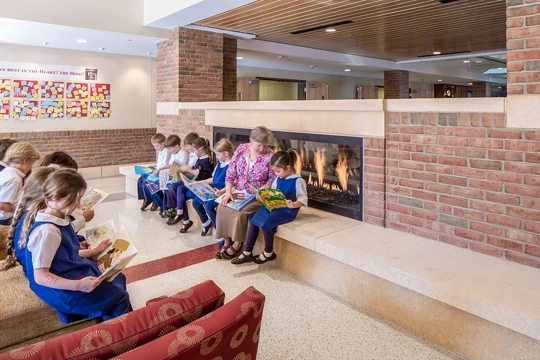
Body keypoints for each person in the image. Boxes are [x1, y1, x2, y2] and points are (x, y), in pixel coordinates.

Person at [14, 169, 132, 323]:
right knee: (119, 297)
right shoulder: (47, 231)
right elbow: (40, 276)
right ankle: (124, 335)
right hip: (62, 290)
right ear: (56, 198)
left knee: (117, 278)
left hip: (66, 273)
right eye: (76, 199)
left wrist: (94, 251)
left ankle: (107, 319)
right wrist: (78, 285)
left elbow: (63, 255)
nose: (79, 205)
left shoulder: (57, 217)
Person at [232, 149, 307, 265]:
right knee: (253, 218)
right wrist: (262, 196)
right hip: (274, 206)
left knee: (267, 222)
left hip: (287, 211)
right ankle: (247, 251)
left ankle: (268, 252)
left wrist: (293, 204)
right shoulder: (279, 178)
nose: (275, 174)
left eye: (277, 171)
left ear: (287, 168)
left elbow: (303, 200)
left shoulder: (298, 181)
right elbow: (273, 192)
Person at [214, 126, 275, 260]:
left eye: (265, 146)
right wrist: (228, 192)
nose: (262, 149)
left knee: (242, 213)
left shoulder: (270, 156)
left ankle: (237, 244)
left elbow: (272, 178)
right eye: (259, 145)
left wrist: (264, 187)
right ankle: (227, 241)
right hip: (239, 190)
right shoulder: (241, 149)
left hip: (256, 195)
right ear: (251, 141)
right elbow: (231, 172)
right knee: (222, 206)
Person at [191, 139, 233, 242]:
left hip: (222, 192)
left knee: (209, 207)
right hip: (212, 190)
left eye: (218, 154)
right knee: (196, 202)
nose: (216, 157)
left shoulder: (231, 165)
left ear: (226, 153)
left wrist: (222, 191)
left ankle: (219, 231)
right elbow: (213, 179)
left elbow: (232, 184)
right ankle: (206, 222)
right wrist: (201, 183)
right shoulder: (219, 163)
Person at [172, 137, 214, 232]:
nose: (193, 152)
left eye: (194, 149)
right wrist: (190, 172)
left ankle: (185, 219)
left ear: (200, 149)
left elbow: (209, 175)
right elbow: (196, 170)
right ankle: (181, 213)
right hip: (195, 184)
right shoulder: (199, 159)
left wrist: (198, 173)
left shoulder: (206, 161)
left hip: (201, 187)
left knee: (182, 196)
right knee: (180, 189)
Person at [0, 143, 41, 225]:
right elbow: (2, 204)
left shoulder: (6, 172)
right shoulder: (14, 178)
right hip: (5, 220)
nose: (31, 167)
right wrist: (23, 212)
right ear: (25, 160)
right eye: (31, 164)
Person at [162, 133, 198, 218]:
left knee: (173, 187)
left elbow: (186, 168)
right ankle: (165, 209)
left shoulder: (186, 154)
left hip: (187, 178)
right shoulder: (191, 154)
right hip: (182, 176)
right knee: (166, 187)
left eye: (187, 146)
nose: (186, 148)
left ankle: (173, 208)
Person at [138, 133, 170, 213]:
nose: (155, 148)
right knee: (140, 180)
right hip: (158, 170)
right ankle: (148, 199)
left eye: (157, 146)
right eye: (154, 146)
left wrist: (158, 169)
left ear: (163, 144)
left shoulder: (167, 152)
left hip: (163, 173)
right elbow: (160, 163)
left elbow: (167, 165)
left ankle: (160, 204)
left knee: (147, 182)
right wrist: (153, 165)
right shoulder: (160, 151)